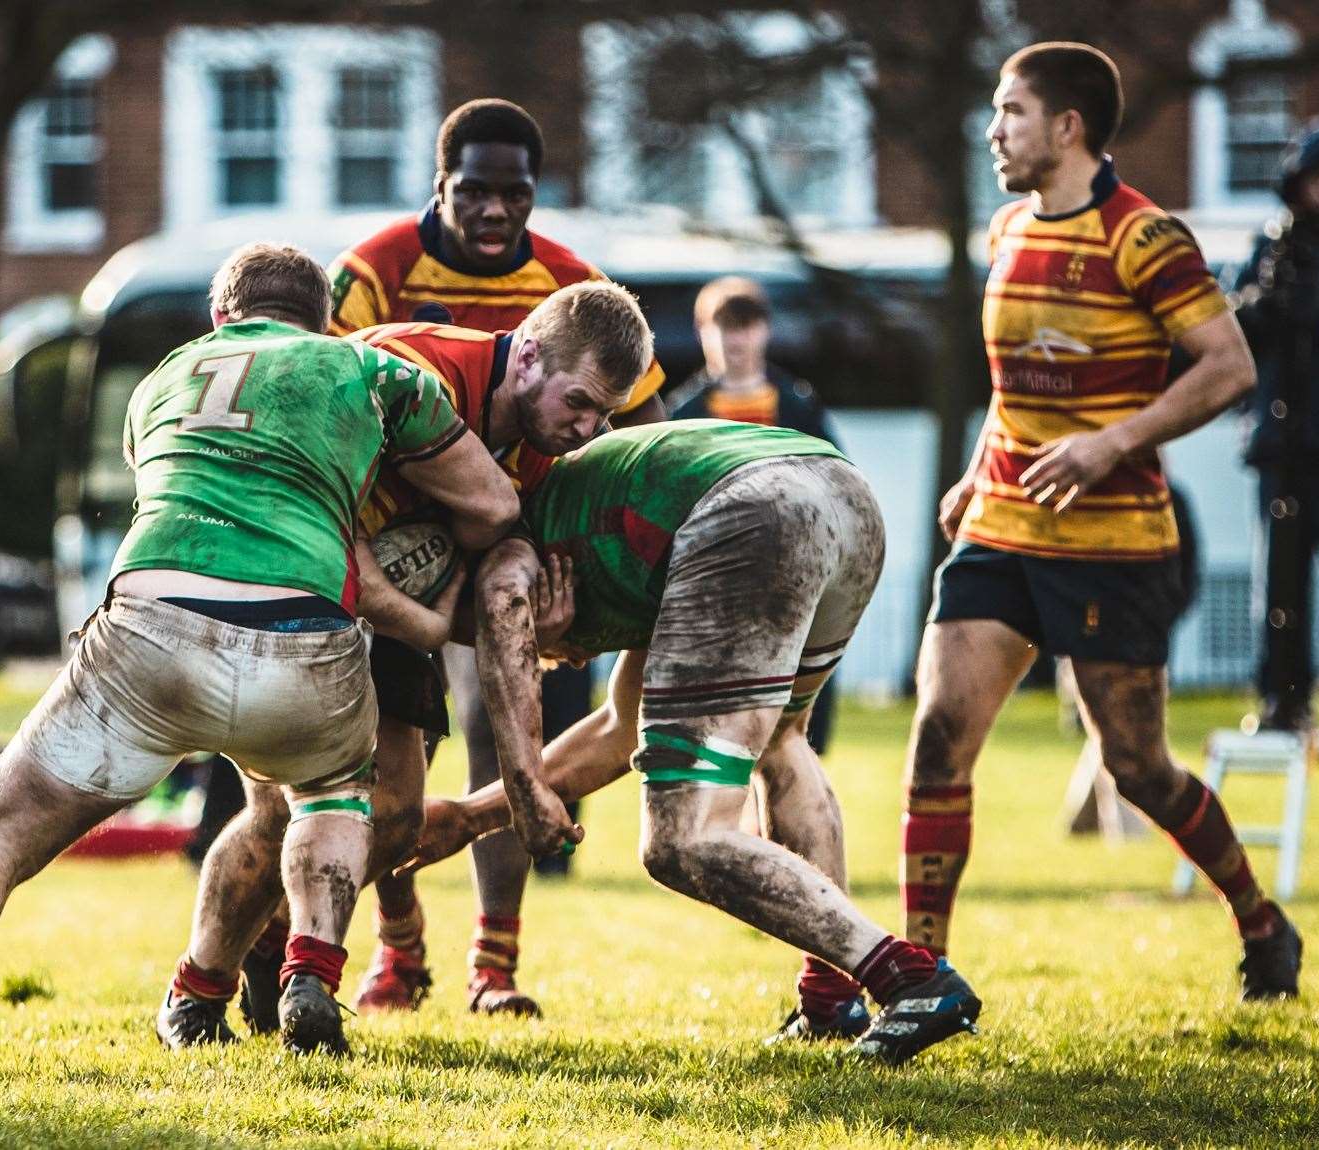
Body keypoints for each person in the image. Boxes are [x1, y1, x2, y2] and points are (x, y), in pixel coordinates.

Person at [0, 242, 519, 1066]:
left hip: (148, 626)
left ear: (223, 316)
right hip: (305, 632)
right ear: (324, 322)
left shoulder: (164, 377)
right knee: (329, 795)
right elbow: (491, 502)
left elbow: (170, 484)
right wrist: (423, 582)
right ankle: (311, 971)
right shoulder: (372, 370)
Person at [900, 42, 1300, 1000]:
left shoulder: (1143, 237)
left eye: (1011, 113)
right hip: (1001, 528)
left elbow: (1227, 367)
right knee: (936, 738)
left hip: (1112, 548)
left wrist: (1108, 442)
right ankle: (917, 974)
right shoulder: (1005, 232)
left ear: (1067, 127)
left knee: (1136, 767)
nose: (993, 131)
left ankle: (1261, 922)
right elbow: (1013, 384)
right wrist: (972, 473)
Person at [159, 282, 654, 1046]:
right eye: (581, 402)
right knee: (275, 809)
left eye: (605, 416)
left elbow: (475, 588)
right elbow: (299, 484)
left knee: (390, 824)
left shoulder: (545, 457)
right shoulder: (405, 364)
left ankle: (270, 941)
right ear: (526, 357)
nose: (587, 427)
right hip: (297, 589)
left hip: (390, 617)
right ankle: (197, 993)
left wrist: (540, 632)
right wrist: (400, 598)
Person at [407, 419, 982, 1064]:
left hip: (750, 516)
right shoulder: (613, 532)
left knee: (682, 837)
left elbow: (519, 641)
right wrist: (466, 817)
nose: (557, 661)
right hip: (841, 497)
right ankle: (829, 1001)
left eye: (545, 649)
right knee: (780, 740)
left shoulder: (539, 562)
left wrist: (526, 664)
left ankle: (911, 978)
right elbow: (619, 728)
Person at [327, 97, 666, 1018]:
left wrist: (603, 575)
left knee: (498, 722)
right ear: (442, 185)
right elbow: (320, 393)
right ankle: (398, 953)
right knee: (385, 751)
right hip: (391, 536)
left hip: (510, 543)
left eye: (511, 193)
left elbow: (643, 431)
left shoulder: (574, 281)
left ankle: (495, 964)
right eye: (472, 190)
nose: (491, 211)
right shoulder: (375, 271)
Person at [669, 276, 845, 753]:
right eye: (724, 328)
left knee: (790, 733)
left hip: (789, 579)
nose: (736, 340)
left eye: (746, 327)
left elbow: (834, 485)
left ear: (764, 332)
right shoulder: (683, 415)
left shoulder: (798, 408)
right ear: (703, 332)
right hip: (712, 583)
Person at [1233, 119, 1319, 734]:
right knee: (1279, 584)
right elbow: (1232, 330)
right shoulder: (1275, 246)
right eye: (1316, 180)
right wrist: (1269, 301)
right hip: (1284, 444)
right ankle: (1284, 695)